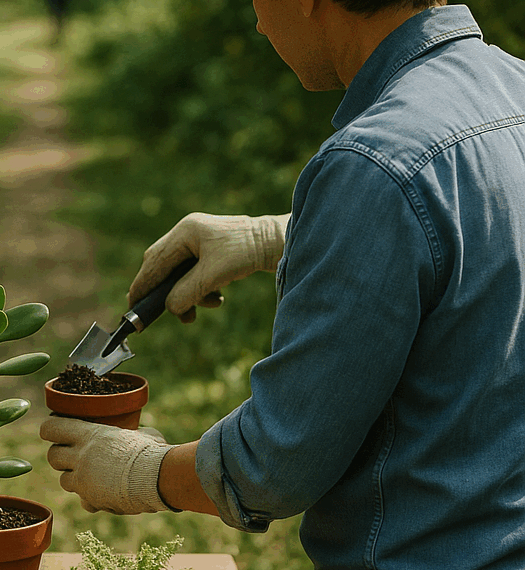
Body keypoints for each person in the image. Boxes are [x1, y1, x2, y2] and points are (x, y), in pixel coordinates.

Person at [40, 1, 525, 567]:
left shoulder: (376, 162)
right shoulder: (511, 89)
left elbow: (279, 461)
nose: (257, 21)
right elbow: (479, 233)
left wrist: (142, 471)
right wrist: (274, 236)